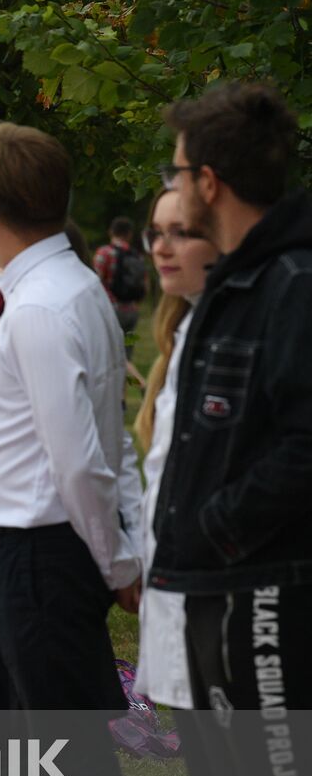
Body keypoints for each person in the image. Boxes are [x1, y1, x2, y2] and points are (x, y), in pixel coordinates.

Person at [0, 121, 147, 776]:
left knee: (73, 769)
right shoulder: (69, 290)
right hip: (37, 555)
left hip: (40, 556)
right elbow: (109, 440)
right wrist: (123, 548)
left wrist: (116, 560)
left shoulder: (38, 306)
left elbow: (79, 459)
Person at [151, 81, 312, 776]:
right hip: (210, 605)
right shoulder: (230, 288)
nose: (172, 192)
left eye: (177, 175)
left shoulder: (290, 285)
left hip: (267, 606)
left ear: (208, 182)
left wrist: (213, 527)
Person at [130, 187, 212, 715]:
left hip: (219, 597)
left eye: (181, 233)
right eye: (156, 233)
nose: (162, 247)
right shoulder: (180, 335)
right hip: (173, 586)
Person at [93, 216, 147, 355]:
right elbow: (144, 284)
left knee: (107, 353)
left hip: (111, 309)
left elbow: (95, 282)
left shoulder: (104, 253)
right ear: (129, 234)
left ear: (111, 232)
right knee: (126, 355)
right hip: (132, 310)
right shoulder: (137, 256)